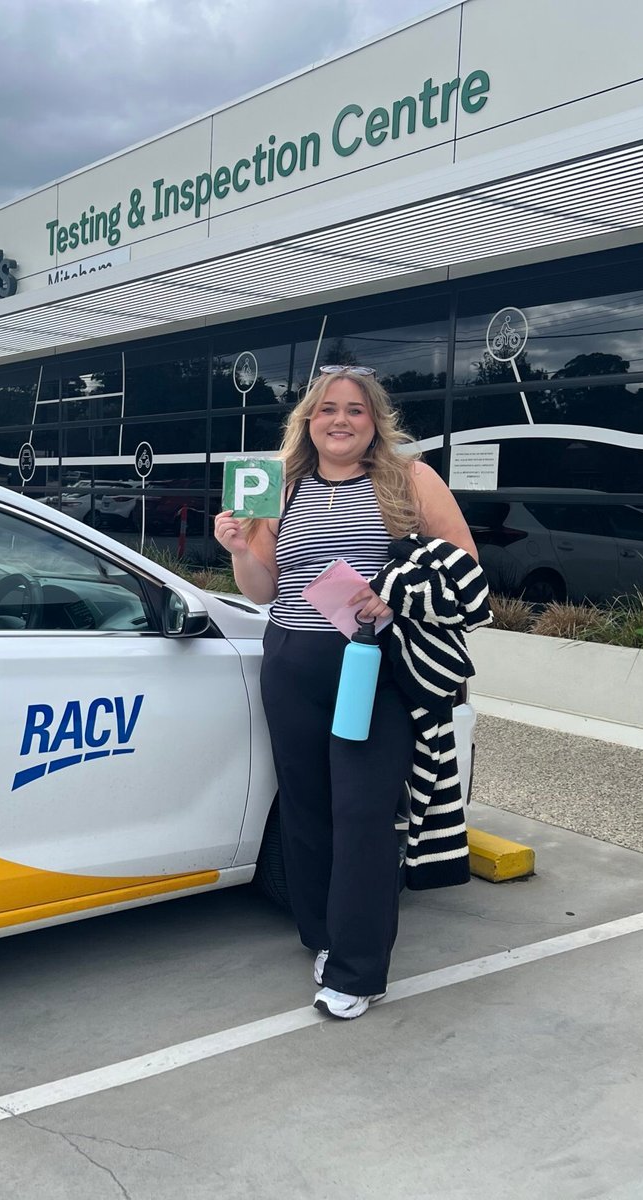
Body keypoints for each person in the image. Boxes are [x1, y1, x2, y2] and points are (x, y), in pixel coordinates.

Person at [213, 365, 478, 1020]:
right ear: (309, 419)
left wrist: (394, 591)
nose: (340, 420)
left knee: (362, 813)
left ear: (374, 421)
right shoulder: (281, 485)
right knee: (306, 809)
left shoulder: (410, 479)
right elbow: (263, 589)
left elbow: (465, 566)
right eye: (327, 408)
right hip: (293, 662)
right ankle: (324, 936)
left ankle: (359, 972)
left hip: (374, 665)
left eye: (355, 410)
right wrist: (239, 549)